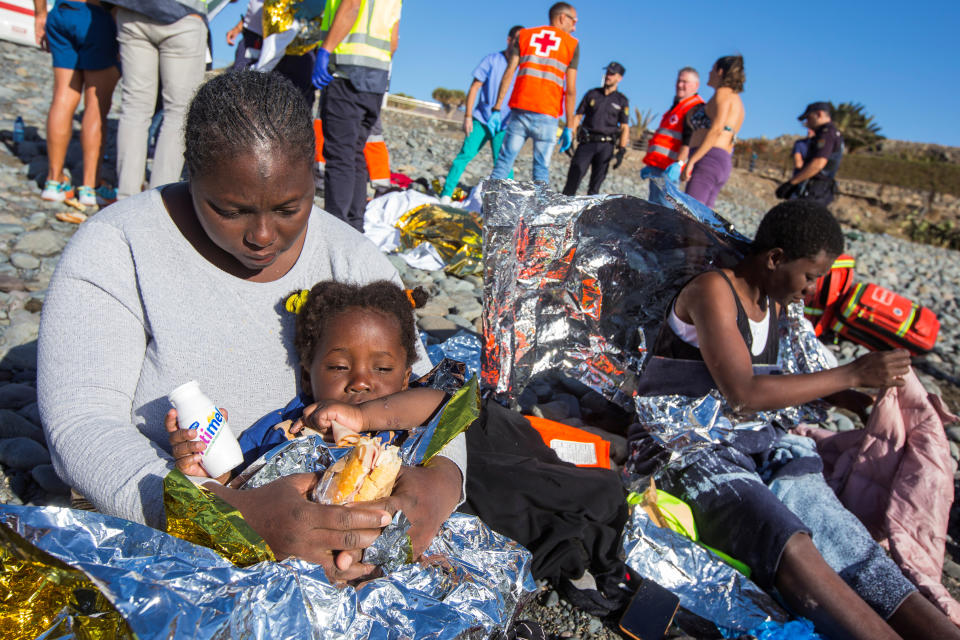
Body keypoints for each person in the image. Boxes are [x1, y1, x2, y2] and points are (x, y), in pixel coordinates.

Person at [37, 71, 466, 584]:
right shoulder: (117, 247)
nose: (263, 236)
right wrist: (225, 521)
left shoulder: (351, 257)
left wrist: (441, 485)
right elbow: (81, 424)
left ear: (314, 176)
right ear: (190, 173)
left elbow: (431, 389)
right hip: (186, 529)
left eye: (290, 208)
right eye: (231, 209)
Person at [629, 200, 960, 640]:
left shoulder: (772, 304)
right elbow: (743, 392)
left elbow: (778, 379)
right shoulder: (713, 291)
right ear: (775, 258)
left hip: (753, 440)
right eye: (809, 277)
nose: (811, 291)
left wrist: (853, 398)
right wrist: (853, 371)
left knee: (845, 539)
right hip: (687, 448)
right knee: (789, 542)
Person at [168, 280, 448, 487]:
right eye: (339, 367)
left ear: (404, 380)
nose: (360, 382)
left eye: (383, 369)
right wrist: (206, 466)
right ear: (306, 375)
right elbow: (237, 481)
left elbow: (440, 404)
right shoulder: (284, 426)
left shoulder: (401, 419)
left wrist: (362, 417)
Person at [311, 0, 402, 231]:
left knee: (340, 154)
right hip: (376, 79)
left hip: (346, 72)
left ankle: (336, 229)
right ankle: (354, 226)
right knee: (355, 153)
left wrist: (325, 50)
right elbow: (393, 40)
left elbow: (351, 6)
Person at [113, 0, 208, 199]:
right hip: (184, 13)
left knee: (134, 108)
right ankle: (160, 202)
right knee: (179, 114)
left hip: (133, 10)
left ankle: (125, 197)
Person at [33, 0, 120, 206]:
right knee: (96, 105)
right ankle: (90, 188)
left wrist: (40, 14)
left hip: (62, 11)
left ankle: (54, 181)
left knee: (63, 96)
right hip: (96, 17)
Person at [488, 2, 579, 184]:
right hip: (547, 113)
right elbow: (570, 90)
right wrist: (569, 126)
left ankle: (489, 209)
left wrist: (497, 108)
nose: (574, 27)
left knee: (504, 162)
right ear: (562, 18)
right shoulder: (571, 44)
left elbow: (509, 72)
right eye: (573, 21)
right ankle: (540, 211)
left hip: (521, 108)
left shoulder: (525, 36)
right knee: (541, 169)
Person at [438, 25, 523, 203]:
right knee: (465, 154)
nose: (519, 43)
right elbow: (475, 87)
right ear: (509, 40)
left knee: (505, 164)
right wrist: (468, 116)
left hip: (505, 124)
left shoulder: (522, 67)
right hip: (482, 119)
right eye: (517, 39)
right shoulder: (492, 60)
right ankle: (446, 194)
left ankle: (507, 202)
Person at [227, 0, 318, 111]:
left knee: (298, 105)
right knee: (240, 94)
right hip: (257, 37)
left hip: (302, 43)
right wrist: (239, 27)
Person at [679, 55, 745, 208]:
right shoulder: (738, 102)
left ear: (720, 72)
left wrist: (693, 160)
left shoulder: (722, 94)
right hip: (722, 161)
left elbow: (716, 129)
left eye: (712, 69)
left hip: (708, 159)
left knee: (690, 214)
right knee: (703, 219)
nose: (709, 73)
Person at [561, 61, 630, 196]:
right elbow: (578, 116)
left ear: (619, 78)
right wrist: (570, 134)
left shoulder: (621, 100)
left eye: (612, 74)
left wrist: (622, 150)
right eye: (608, 72)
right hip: (587, 142)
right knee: (573, 178)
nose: (608, 76)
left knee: (595, 187)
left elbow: (624, 127)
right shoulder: (592, 94)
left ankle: (590, 215)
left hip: (606, 146)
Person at [640, 67, 703, 183]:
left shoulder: (693, 108)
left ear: (696, 85)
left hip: (669, 170)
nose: (680, 85)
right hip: (658, 166)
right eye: (679, 81)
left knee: (665, 201)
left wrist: (679, 164)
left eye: (685, 82)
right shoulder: (677, 107)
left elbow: (689, 140)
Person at [776, 102, 844, 206]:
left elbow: (818, 164)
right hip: (820, 190)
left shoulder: (826, 133)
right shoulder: (831, 132)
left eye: (809, 118)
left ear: (819, 114)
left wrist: (792, 183)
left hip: (816, 189)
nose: (807, 122)